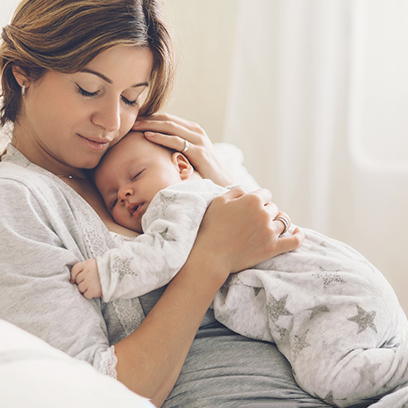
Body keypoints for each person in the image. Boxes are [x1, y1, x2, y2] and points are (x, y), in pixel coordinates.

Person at [0, 1, 345, 408]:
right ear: (24, 71)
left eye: (131, 98)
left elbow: (290, 261)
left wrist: (220, 179)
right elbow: (97, 391)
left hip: (331, 371)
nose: (111, 122)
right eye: (89, 90)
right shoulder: (16, 199)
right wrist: (211, 257)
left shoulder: (136, 155)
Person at [71, 131, 408, 407]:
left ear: (183, 167)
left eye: (136, 175)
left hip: (327, 297)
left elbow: (162, 255)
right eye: (113, 197)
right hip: (342, 289)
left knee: (330, 377)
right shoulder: (216, 199)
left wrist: (107, 273)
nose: (125, 192)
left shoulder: (177, 200)